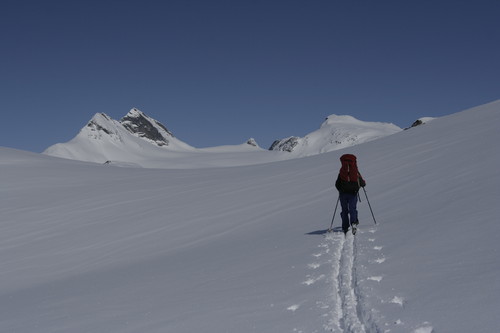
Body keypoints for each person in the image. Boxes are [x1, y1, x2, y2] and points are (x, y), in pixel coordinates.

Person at [335, 154, 366, 235]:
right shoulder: (355, 171)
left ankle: (345, 227)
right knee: (352, 208)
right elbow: (362, 183)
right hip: (353, 193)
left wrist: (340, 190)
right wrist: (361, 185)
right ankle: (354, 223)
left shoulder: (342, 171)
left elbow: (337, 184)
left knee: (344, 210)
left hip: (343, 194)